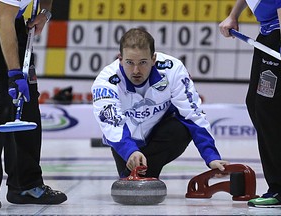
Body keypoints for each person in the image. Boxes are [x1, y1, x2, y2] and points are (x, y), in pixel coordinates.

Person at [91, 28, 229, 181]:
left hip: (160, 135)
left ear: (153, 59)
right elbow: (112, 125)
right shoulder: (105, 82)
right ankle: (137, 170)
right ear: (120, 59)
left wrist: (211, 157)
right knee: (130, 173)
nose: (136, 70)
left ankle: (146, 172)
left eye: (143, 62)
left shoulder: (174, 70)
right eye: (130, 63)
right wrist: (130, 151)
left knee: (181, 128)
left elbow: (193, 114)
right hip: (126, 139)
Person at [0, 0, 67, 210]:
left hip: (13, 23)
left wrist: (45, 13)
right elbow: (3, 20)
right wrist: (14, 73)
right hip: (0, 23)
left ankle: (25, 185)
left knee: (26, 106)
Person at [219, 0, 281, 208]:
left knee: (268, 110)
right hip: (266, 38)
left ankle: (279, 188)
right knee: (255, 104)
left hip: (277, 38)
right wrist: (233, 15)